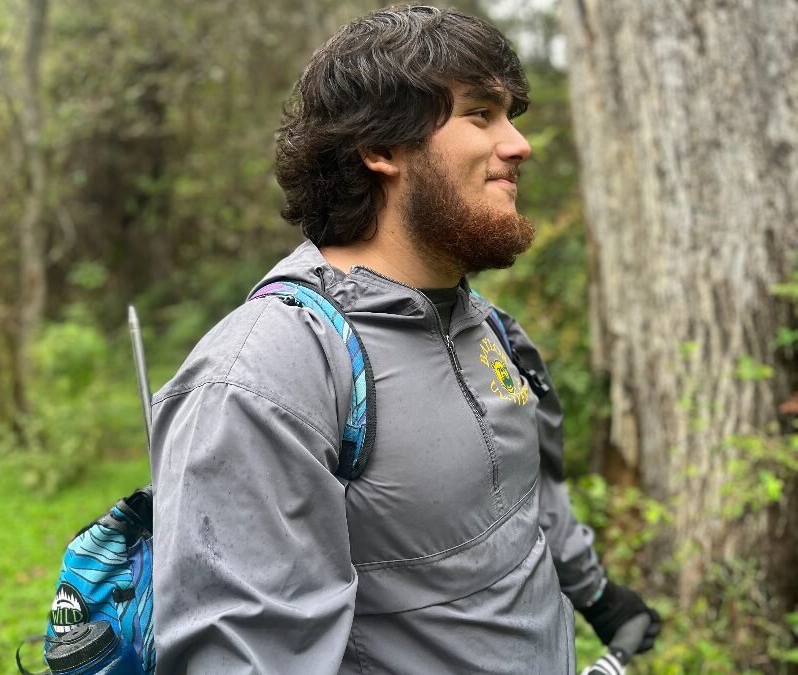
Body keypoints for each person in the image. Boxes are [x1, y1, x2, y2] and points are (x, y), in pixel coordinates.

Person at [151, 5, 661, 673]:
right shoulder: (269, 375)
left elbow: (525, 502)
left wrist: (597, 596)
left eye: (510, 115)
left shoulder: (489, 328)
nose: (519, 145)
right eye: (481, 114)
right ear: (381, 148)